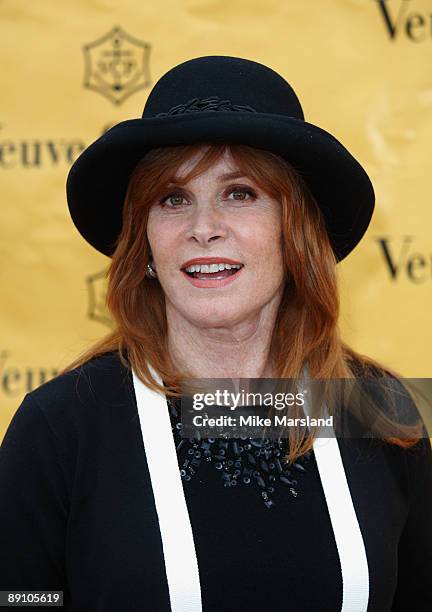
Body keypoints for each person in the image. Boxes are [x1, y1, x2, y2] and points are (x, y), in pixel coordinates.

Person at [0, 55, 431, 612]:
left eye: (240, 193)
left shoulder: (379, 412)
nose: (203, 228)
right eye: (172, 199)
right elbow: (19, 598)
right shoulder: (63, 426)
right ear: (146, 244)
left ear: (294, 231)